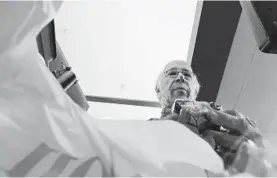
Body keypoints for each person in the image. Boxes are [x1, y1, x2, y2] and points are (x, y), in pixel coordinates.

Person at [153, 60, 264, 174]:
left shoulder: (222, 126)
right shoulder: (147, 133)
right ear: (158, 90)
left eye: (187, 75)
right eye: (172, 73)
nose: (180, 77)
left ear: (196, 89)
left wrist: (259, 158)